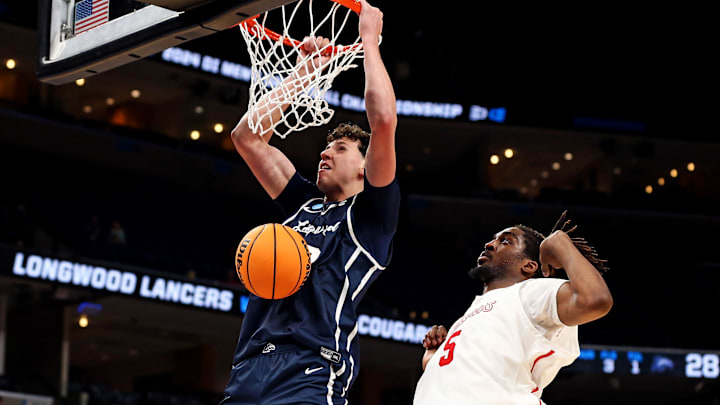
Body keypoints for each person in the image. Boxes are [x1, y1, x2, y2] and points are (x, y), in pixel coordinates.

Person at [222, 1, 399, 404]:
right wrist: (307, 71)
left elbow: (384, 120)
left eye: (339, 148)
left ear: (365, 166)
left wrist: (369, 40)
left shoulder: (372, 216)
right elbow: (247, 137)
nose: (325, 153)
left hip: (312, 369)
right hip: (249, 366)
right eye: (325, 146)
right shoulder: (302, 202)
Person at [414, 212, 613, 405]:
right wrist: (433, 356)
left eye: (506, 241)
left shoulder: (530, 292)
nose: (490, 244)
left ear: (529, 266)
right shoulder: (469, 315)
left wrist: (561, 243)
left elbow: (595, 300)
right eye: (494, 239)